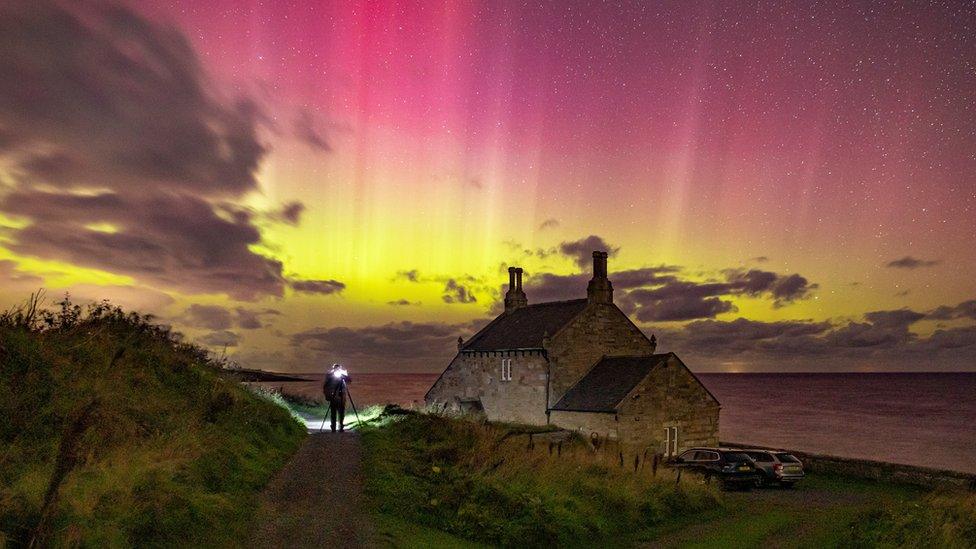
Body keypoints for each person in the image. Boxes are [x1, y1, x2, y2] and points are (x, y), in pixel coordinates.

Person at [323, 363, 351, 432]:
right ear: (333, 369)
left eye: (338, 369)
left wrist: (344, 376)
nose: (337, 370)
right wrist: (327, 396)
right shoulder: (330, 376)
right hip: (333, 397)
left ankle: (341, 426)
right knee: (333, 413)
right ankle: (333, 427)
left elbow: (349, 381)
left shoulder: (343, 376)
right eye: (336, 368)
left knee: (341, 412)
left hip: (342, 397)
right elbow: (325, 386)